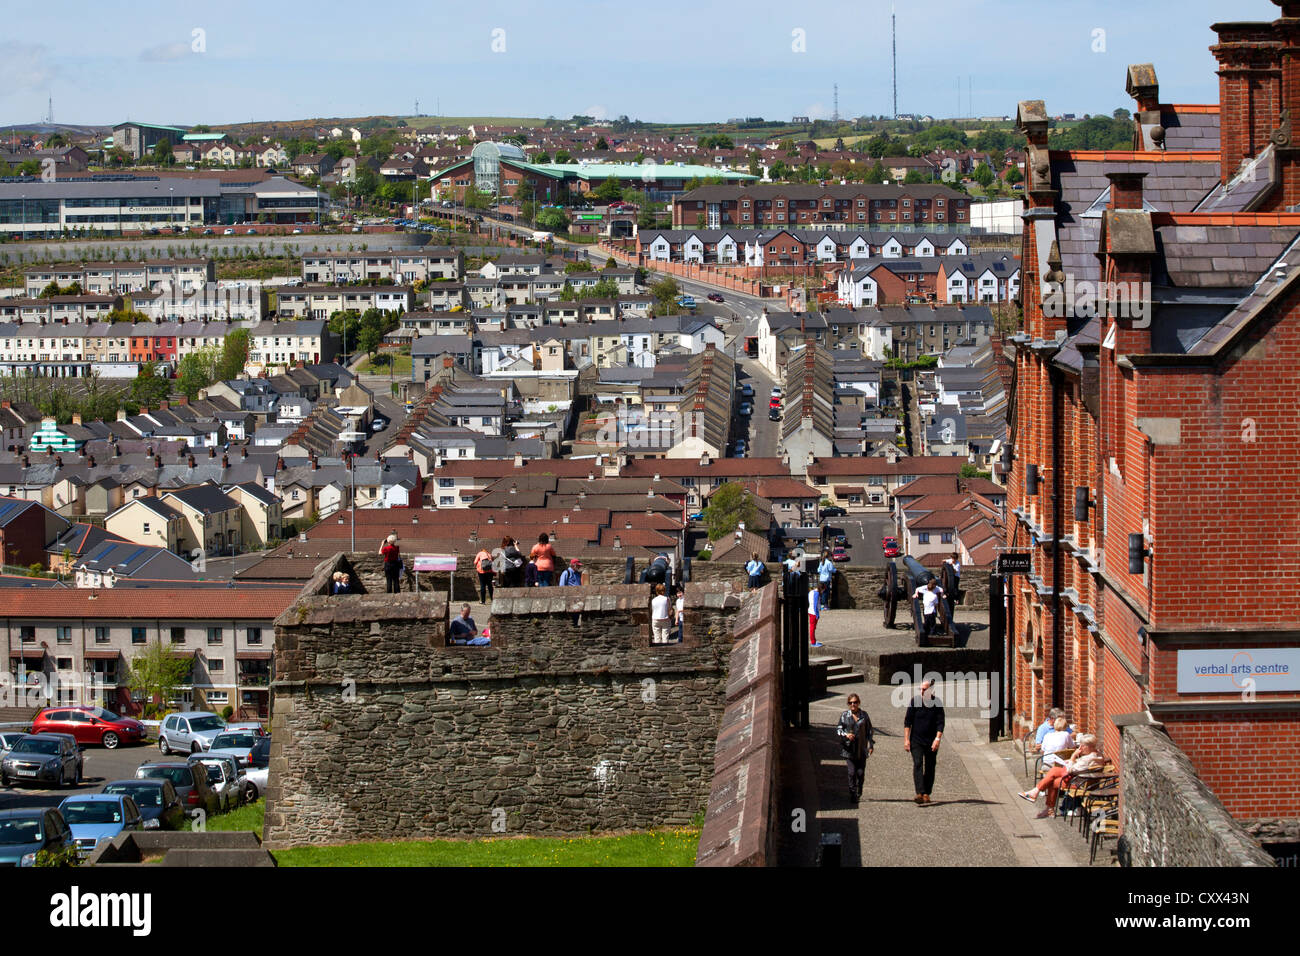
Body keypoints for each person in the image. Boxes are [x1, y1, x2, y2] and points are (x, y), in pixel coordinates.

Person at [1019, 734, 1103, 818]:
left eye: (1082, 745)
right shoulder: (1098, 754)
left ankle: (1044, 803)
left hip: (1078, 783)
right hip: (1083, 779)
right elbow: (1080, 766)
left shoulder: (1088, 759)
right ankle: (1038, 796)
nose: (1080, 748)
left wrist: (1073, 756)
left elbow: (1071, 769)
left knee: (1053, 779)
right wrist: (1071, 761)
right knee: (1054, 772)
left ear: (1089, 746)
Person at [903, 678, 945, 804]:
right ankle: (920, 793)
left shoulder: (936, 703)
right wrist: (906, 739)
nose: (922, 691)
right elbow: (907, 722)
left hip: (931, 740)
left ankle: (927, 792)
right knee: (918, 763)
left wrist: (937, 739)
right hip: (916, 740)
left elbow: (940, 723)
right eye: (920, 689)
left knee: (930, 766)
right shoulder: (915, 701)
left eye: (924, 689)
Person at [837, 693, 875, 803]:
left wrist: (871, 745)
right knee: (851, 772)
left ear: (858, 703)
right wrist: (846, 735)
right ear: (848, 704)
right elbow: (838, 729)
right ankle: (852, 793)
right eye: (850, 703)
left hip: (861, 749)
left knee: (860, 773)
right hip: (848, 750)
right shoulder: (844, 715)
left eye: (855, 702)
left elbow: (869, 731)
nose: (853, 704)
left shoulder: (864, 715)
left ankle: (859, 789)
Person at [558, 558, 583, 626]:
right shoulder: (566, 573)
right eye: (577, 565)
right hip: (569, 598)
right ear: (573, 565)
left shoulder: (578, 574)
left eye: (579, 565)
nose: (579, 567)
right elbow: (562, 586)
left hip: (577, 598)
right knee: (570, 616)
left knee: (577, 615)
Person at [808, 578, 823, 647]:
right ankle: (813, 642)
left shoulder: (811, 592)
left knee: (812, 627)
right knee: (812, 627)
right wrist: (817, 614)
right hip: (814, 612)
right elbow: (815, 604)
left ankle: (813, 641)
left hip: (810, 611)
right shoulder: (816, 593)